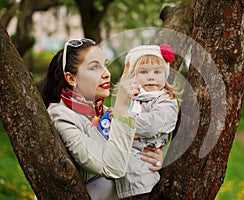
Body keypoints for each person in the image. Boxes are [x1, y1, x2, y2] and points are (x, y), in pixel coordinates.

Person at [39, 38, 164, 200]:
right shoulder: (62, 116)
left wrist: (152, 157)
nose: (106, 74)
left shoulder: (103, 113)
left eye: (105, 65)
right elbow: (114, 168)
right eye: (94, 67)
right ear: (71, 78)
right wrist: (121, 109)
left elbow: (133, 152)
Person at [115, 44, 179, 199]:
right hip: (124, 165)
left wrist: (121, 121)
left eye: (157, 72)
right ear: (133, 77)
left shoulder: (166, 100)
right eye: (143, 72)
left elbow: (151, 124)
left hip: (142, 171)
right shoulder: (133, 99)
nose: (151, 77)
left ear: (165, 75)